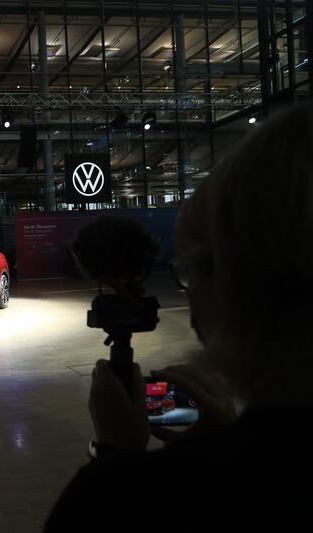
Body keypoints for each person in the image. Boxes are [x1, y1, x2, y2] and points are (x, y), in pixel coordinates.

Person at [44, 102, 313, 531]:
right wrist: (230, 434)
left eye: (189, 271)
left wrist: (117, 457)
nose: (191, 316)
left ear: (238, 282)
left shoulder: (143, 498)